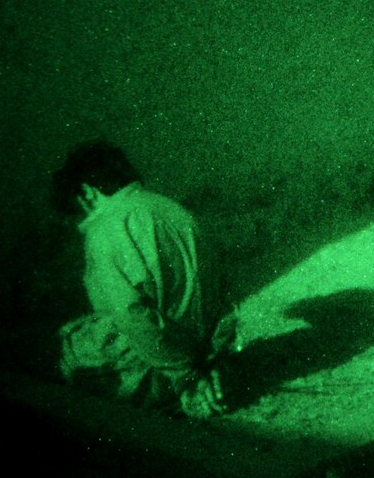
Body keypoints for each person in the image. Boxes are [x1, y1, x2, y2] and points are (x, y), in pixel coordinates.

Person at [51, 140, 238, 419]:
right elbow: (224, 291)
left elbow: (131, 313)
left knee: (68, 346)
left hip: (163, 372)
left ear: (88, 192)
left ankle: (167, 396)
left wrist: (185, 375)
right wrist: (209, 361)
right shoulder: (172, 209)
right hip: (202, 354)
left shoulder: (105, 230)